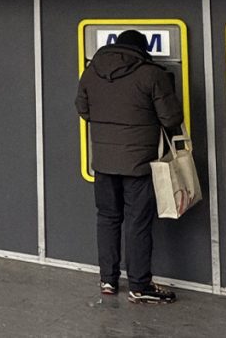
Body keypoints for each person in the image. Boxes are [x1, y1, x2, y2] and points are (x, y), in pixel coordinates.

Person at [76, 29, 184, 304]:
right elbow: (171, 118)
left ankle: (108, 280)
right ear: (142, 50)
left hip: (103, 162)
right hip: (139, 163)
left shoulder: (92, 72)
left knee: (108, 218)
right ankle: (139, 285)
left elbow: (83, 109)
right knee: (137, 222)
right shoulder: (152, 74)